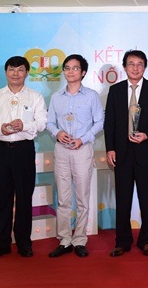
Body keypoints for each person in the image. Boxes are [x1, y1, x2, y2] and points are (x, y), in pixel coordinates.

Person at [0, 56, 47, 259]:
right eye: (11, 69)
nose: (15, 73)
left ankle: (24, 243)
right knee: (2, 198)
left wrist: (24, 125)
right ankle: (2, 243)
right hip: (1, 151)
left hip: (24, 151)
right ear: (6, 72)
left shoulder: (35, 97)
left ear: (27, 73)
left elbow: (42, 122)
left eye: (20, 70)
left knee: (24, 198)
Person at [104, 50, 148, 257]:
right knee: (123, 199)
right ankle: (122, 241)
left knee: (147, 198)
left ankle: (147, 240)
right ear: (124, 67)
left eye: (140, 64)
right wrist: (110, 148)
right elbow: (109, 122)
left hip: (145, 151)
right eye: (131, 64)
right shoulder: (115, 90)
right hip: (121, 153)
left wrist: (147, 134)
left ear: (144, 67)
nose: (135, 68)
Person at [46, 54, 104, 258]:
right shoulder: (56, 97)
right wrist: (57, 133)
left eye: (75, 68)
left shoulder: (91, 96)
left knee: (82, 198)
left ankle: (79, 239)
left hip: (82, 150)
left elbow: (99, 122)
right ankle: (64, 240)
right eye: (67, 68)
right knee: (63, 199)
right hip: (61, 151)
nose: (71, 71)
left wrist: (83, 139)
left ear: (83, 72)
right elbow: (49, 122)